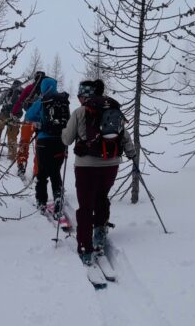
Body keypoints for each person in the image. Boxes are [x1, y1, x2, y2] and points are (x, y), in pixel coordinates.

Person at [61, 78, 138, 266]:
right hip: (111, 165)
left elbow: (66, 139)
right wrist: (132, 154)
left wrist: (65, 129)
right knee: (102, 197)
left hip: (86, 166)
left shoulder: (80, 112)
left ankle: (85, 248)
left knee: (86, 206)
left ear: (84, 95)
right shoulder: (112, 109)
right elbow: (124, 135)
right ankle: (100, 234)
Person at [22, 77, 69, 214]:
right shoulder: (62, 101)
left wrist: (39, 121)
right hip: (60, 141)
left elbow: (29, 115)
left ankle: (42, 202)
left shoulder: (42, 100)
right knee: (55, 172)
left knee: (42, 174)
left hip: (44, 142)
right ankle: (58, 197)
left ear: (43, 87)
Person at [11, 70, 46, 178]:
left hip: (29, 119)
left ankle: (22, 164)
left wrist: (14, 112)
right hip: (41, 121)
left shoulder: (29, 88)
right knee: (39, 145)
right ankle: (37, 170)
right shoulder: (46, 89)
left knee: (24, 142)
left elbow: (20, 101)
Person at [0, 78, 23, 161]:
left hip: (4, 114)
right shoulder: (22, 93)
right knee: (12, 136)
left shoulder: (7, 91)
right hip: (15, 117)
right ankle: (12, 156)